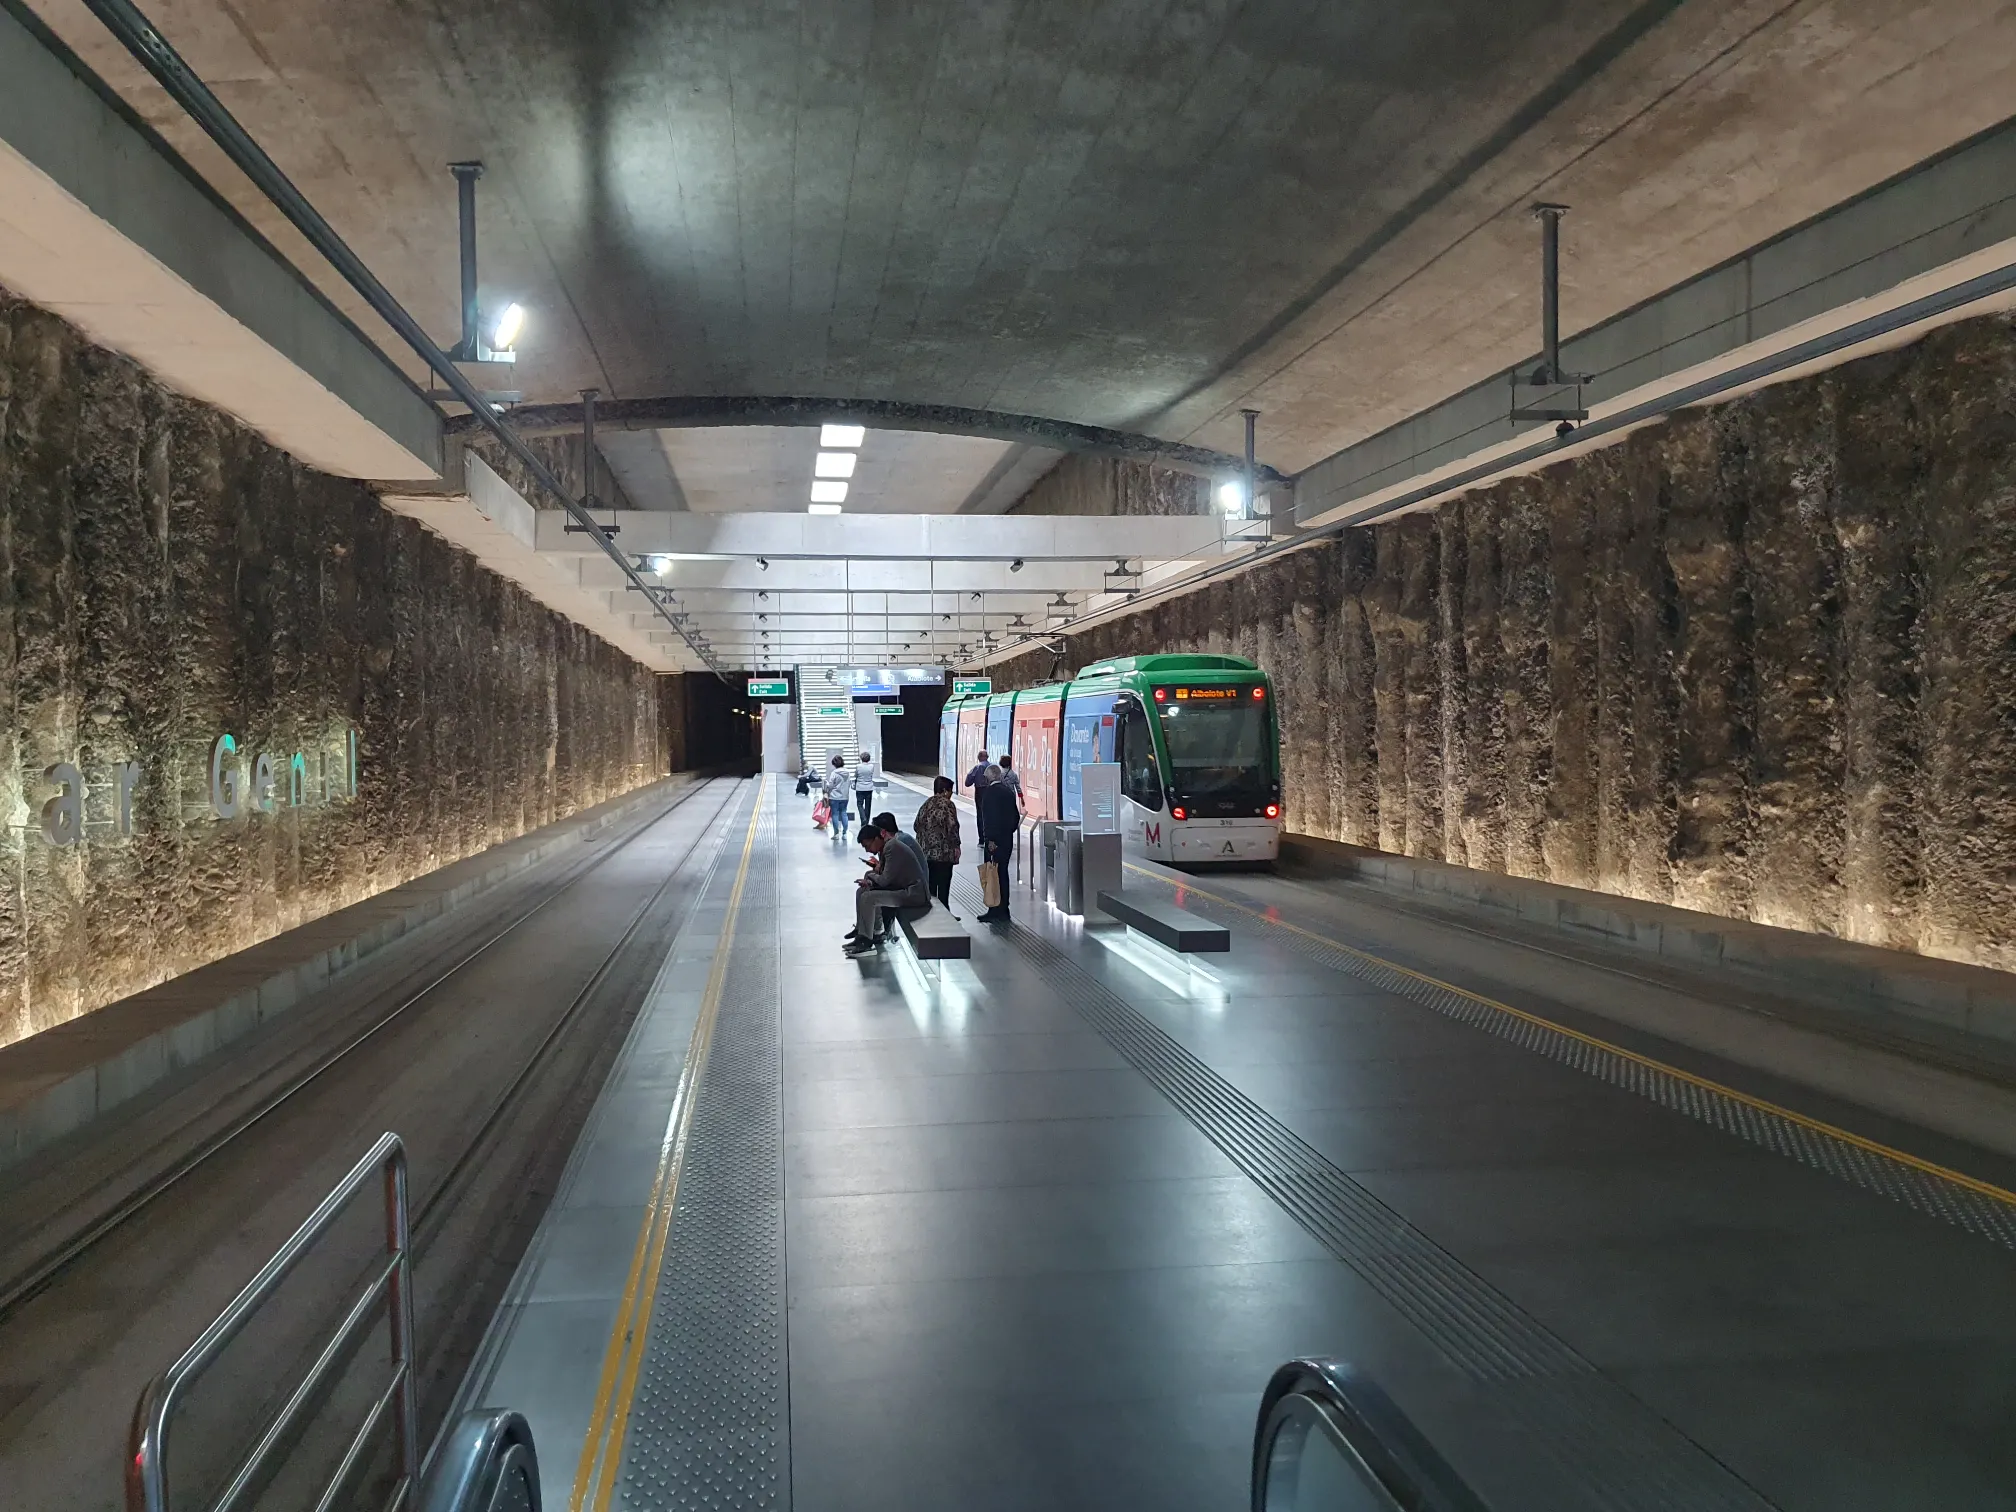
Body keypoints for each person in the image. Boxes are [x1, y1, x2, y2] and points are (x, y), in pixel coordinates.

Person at [845, 816, 929, 956]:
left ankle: (866, 942)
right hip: (903, 889)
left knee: (868, 898)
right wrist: (870, 880)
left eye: (867, 846)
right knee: (862, 891)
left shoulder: (891, 847)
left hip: (913, 894)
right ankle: (866, 932)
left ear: (876, 839)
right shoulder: (887, 846)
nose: (867, 850)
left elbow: (884, 880)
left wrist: (871, 878)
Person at [975, 763, 1021, 924]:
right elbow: (1015, 817)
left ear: (989, 777)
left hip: (993, 843)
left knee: (992, 875)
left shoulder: (989, 793)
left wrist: (991, 840)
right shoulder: (1008, 792)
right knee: (1002, 874)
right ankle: (1004, 909)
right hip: (1006, 841)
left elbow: (989, 819)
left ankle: (994, 909)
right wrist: (1007, 833)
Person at [913, 779, 961, 912]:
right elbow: (952, 827)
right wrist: (956, 846)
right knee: (944, 887)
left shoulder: (926, 804)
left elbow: (916, 826)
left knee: (931, 887)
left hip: (926, 854)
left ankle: (933, 914)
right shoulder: (948, 805)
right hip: (943, 853)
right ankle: (945, 913)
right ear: (945, 791)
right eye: (950, 791)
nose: (951, 794)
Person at [823, 753, 852, 837]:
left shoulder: (834, 773)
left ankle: (836, 833)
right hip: (845, 796)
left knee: (835, 814)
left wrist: (826, 785)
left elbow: (830, 786)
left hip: (834, 797)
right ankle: (845, 832)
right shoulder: (848, 772)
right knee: (844, 813)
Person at [855, 748, 878, 823]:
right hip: (869, 787)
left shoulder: (858, 766)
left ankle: (863, 818)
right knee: (868, 805)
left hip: (860, 788)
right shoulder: (871, 766)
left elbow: (856, 775)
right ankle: (866, 821)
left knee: (860, 804)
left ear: (861, 758)